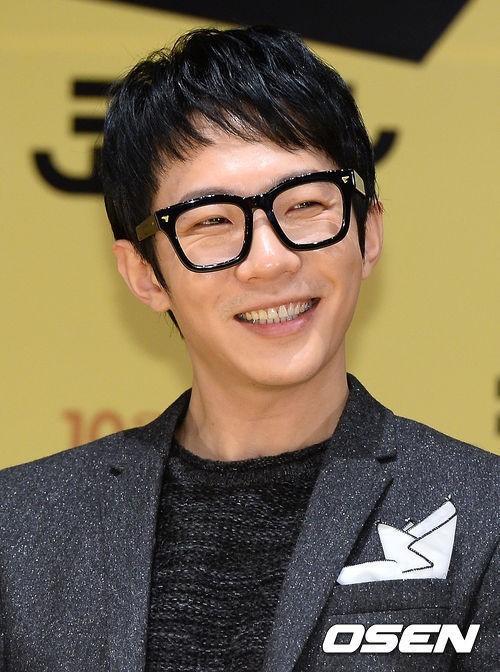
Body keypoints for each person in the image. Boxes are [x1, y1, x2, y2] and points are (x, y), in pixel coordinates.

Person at [0, 26, 497, 672]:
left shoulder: (482, 517)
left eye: (304, 204)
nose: (269, 259)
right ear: (145, 274)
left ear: (368, 232)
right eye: (212, 220)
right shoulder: (21, 528)